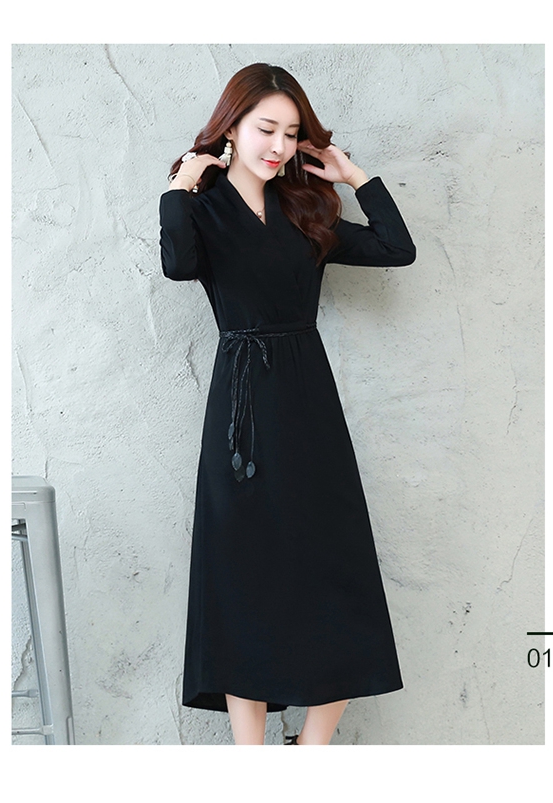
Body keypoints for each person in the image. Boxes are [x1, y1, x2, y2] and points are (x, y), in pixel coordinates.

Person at [159, 63, 416, 745]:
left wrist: (354, 177)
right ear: (231, 129)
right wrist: (181, 187)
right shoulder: (203, 211)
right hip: (241, 408)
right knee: (242, 576)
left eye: (291, 133)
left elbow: (398, 248)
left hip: (309, 406)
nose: (278, 145)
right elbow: (179, 264)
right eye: (265, 128)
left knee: (334, 568)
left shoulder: (307, 211)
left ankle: (312, 747)